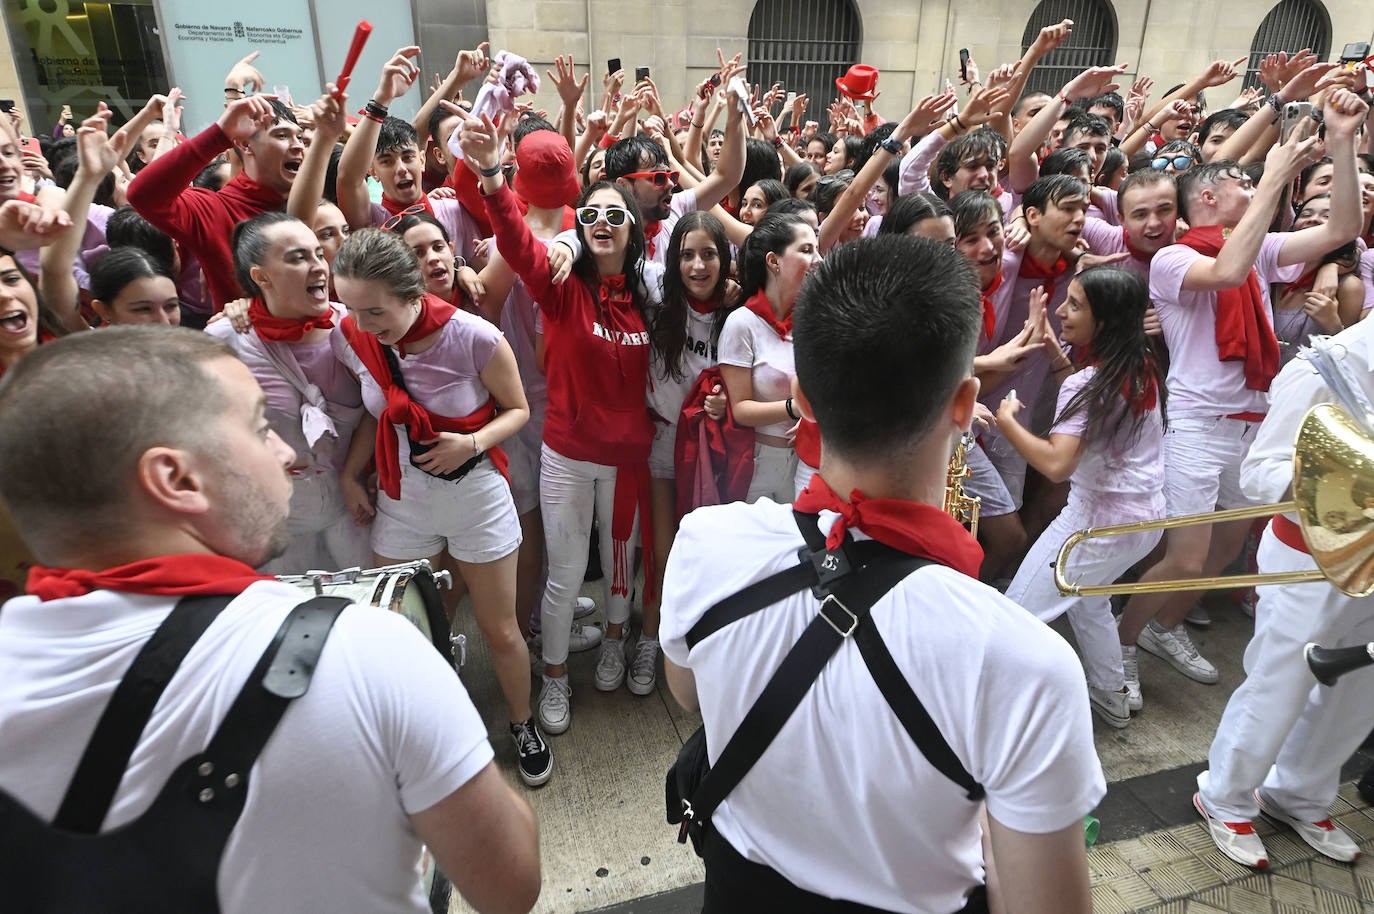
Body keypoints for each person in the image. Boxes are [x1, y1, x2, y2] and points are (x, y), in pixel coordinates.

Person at [0, 326, 540, 912]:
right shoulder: (366, 651)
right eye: (260, 429)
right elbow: (510, 885)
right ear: (176, 480)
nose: (286, 453)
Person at [660, 235, 1103, 914]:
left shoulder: (704, 541)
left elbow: (687, 696)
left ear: (803, 398)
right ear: (964, 405)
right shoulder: (1028, 662)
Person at [1116, 89, 1369, 706]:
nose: (1255, 185)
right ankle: (1118, 647)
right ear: (1209, 197)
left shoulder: (1261, 251)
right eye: (1241, 180)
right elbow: (1227, 271)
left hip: (1254, 424)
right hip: (1201, 425)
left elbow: (1341, 229)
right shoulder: (1174, 259)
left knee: (1226, 548)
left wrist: (1339, 142)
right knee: (1186, 554)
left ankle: (1163, 629)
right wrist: (1276, 173)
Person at [330, 228, 550, 787]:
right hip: (403, 501)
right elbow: (374, 413)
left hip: (475, 495)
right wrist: (353, 474)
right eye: (352, 307)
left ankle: (522, 726)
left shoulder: (473, 337)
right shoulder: (354, 331)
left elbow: (518, 410)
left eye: (374, 311)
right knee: (406, 629)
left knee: (501, 631)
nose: (361, 323)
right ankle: (428, 726)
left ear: (412, 294)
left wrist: (470, 443)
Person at [461, 113, 656, 736]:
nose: (601, 224)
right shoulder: (560, 286)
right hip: (568, 455)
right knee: (567, 571)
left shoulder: (652, 298)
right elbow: (518, 242)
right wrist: (494, 176)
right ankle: (552, 679)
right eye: (590, 215)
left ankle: (617, 643)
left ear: (634, 231)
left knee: (619, 563)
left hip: (627, 459)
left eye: (614, 217)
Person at [1193, 312, 1374, 869]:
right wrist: (1346, 484)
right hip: (1307, 557)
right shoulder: (1326, 369)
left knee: (1358, 692)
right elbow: (1261, 471)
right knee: (1281, 682)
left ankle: (1299, 793)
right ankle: (1224, 795)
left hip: (1369, 564)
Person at [1000, 267, 1166, 729]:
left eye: (1075, 305)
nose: (1060, 310)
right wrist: (1055, 348)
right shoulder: (1140, 362)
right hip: (1144, 524)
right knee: (1090, 601)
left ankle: (1001, 717)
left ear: (1106, 321)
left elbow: (1056, 464)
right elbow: (1091, 407)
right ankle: (1113, 695)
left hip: (1093, 526)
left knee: (1017, 618)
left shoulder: (1089, 383)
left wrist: (1008, 420)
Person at [207, 211, 370, 578]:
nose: (318, 266)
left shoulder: (360, 327)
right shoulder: (225, 342)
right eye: (297, 258)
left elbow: (386, 408)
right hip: (277, 518)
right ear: (260, 277)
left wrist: (358, 474)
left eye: (317, 253)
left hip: (355, 506)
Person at [127, 94, 306, 309]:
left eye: (301, 138)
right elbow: (143, 195)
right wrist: (220, 135)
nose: (298, 147)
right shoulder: (214, 209)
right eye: (282, 135)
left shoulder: (321, 200)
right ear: (245, 144)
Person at [717, 212, 819, 504]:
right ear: (774, 261)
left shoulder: (812, 322)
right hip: (755, 462)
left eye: (817, 249)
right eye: (806, 250)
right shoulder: (742, 323)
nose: (819, 259)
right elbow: (741, 410)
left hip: (804, 463)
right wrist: (796, 408)